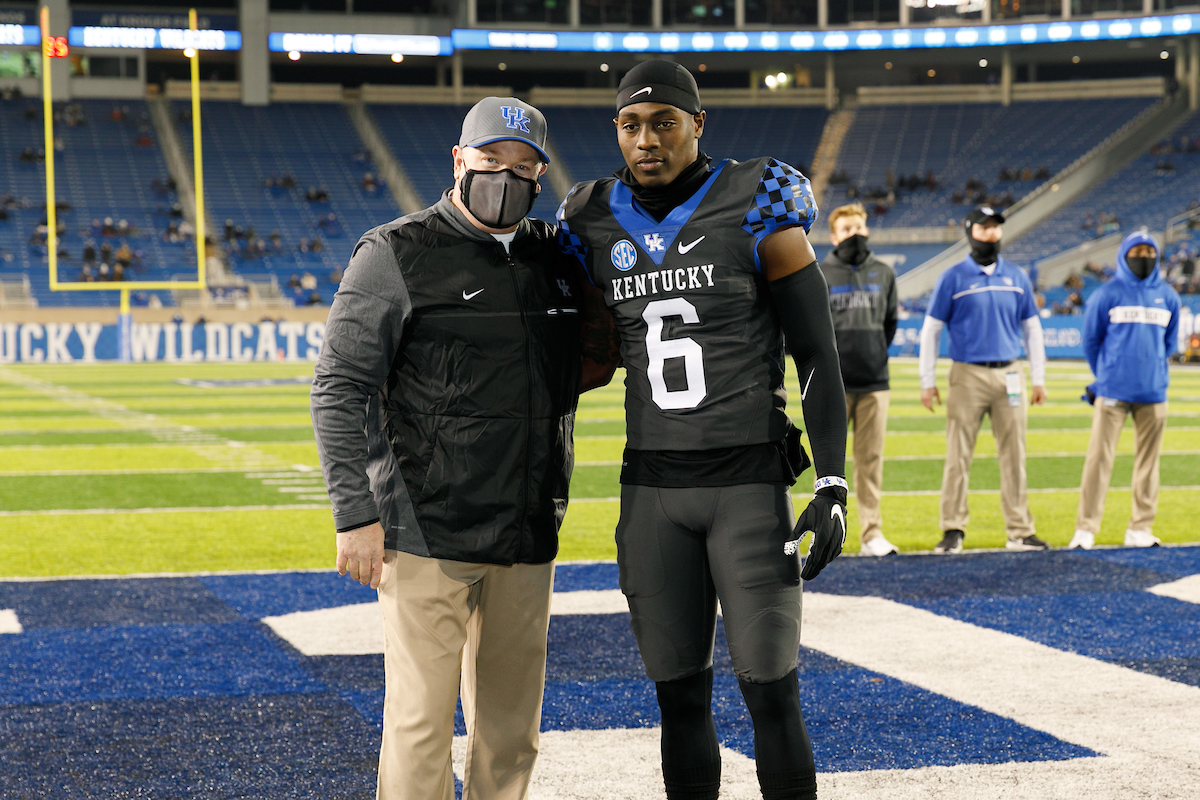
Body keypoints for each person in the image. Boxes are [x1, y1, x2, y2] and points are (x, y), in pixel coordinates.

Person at [557, 60, 848, 800]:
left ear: (697, 124)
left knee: (770, 693)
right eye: (630, 124)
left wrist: (835, 480)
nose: (646, 138)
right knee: (677, 698)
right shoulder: (587, 217)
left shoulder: (757, 197)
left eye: (663, 121)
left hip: (747, 486)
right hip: (651, 489)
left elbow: (816, 352)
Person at [311, 97, 592, 800]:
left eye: (523, 168)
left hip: (527, 526)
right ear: (459, 161)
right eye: (491, 162)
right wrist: (355, 513)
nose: (506, 178)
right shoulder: (395, 252)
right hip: (425, 529)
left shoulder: (554, 257)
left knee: (511, 734)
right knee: (420, 727)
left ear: (541, 175)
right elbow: (340, 387)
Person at [919, 206, 1049, 554]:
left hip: (1011, 372)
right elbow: (931, 330)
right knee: (958, 455)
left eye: (995, 228)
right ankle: (953, 528)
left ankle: (1020, 530)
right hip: (968, 374)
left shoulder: (1017, 276)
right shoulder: (953, 276)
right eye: (984, 227)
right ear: (970, 230)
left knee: (1014, 455)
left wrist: (1038, 378)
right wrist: (927, 380)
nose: (990, 233)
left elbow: (1032, 329)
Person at [1070, 232, 1181, 549]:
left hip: (1154, 393)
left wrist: (1155, 368)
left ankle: (1140, 529)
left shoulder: (1169, 296)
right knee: (1098, 461)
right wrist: (1106, 375)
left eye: (1149, 251)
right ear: (1124, 254)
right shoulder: (1108, 293)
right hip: (1113, 392)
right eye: (1137, 251)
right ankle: (1086, 528)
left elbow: (1169, 343)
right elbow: (1091, 341)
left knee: (1149, 463)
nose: (1143, 256)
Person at [819, 202, 899, 556]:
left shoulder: (884, 272)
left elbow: (890, 324)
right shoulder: (819, 273)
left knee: (870, 463)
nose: (854, 234)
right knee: (828, 468)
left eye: (859, 227)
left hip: (873, 384)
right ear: (834, 236)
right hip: (831, 384)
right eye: (847, 229)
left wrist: (873, 354)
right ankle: (825, 534)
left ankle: (871, 534)